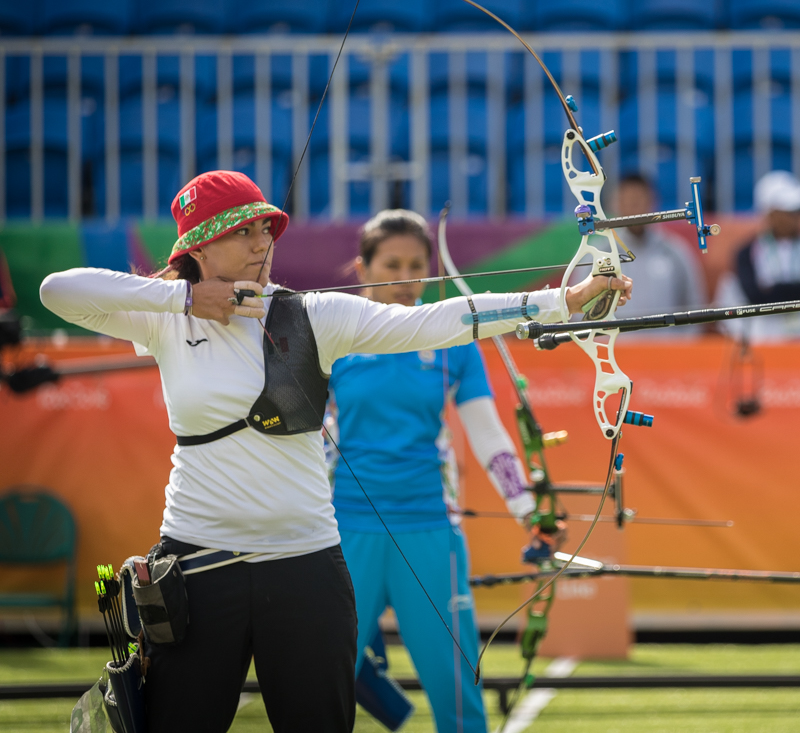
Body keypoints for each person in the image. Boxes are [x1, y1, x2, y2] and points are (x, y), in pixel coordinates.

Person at [37, 170, 630, 733]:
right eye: (241, 230)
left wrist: (565, 301)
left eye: (264, 226)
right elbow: (57, 291)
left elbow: (437, 321)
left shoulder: (314, 314)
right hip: (197, 565)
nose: (261, 239)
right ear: (199, 247)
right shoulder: (164, 321)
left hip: (304, 566)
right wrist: (187, 301)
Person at [328, 210, 536, 733]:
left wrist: (529, 509)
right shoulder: (330, 334)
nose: (404, 279)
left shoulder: (452, 338)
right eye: (390, 265)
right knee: (321, 685)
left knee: (455, 688)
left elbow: (488, 435)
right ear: (361, 267)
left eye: (416, 266)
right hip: (343, 529)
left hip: (430, 528)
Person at [714, 171, 800, 343]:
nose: (798, 216)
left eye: (799, 210)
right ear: (770, 213)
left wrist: (774, 288)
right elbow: (755, 296)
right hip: (766, 342)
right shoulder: (748, 251)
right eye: (790, 211)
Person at [597, 174, 707, 338]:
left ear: (652, 201)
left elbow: (696, 307)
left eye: (638, 200)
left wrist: (682, 346)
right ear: (616, 204)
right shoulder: (599, 254)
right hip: (613, 354)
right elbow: (581, 311)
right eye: (627, 201)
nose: (633, 207)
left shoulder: (676, 252)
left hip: (668, 354)